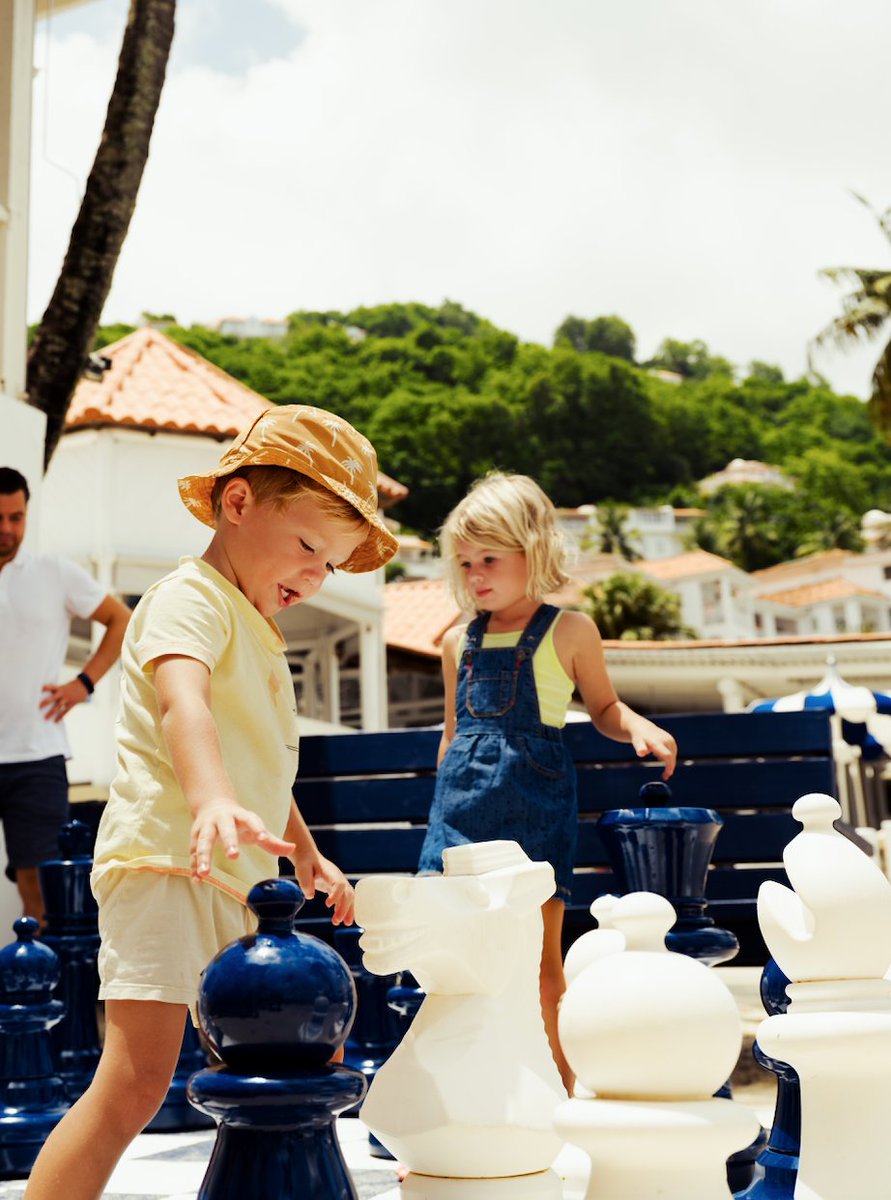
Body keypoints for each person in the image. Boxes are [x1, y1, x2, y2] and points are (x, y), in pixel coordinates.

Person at [24, 405, 398, 1200]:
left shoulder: (258, 627)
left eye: (330, 565)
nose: (313, 575)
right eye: (306, 546)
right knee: (133, 1083)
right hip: (167, 860)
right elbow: (181, 704)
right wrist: (209, 801)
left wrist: (302, 848)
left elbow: (258, 767)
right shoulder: (187, 597)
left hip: (232, 877)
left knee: (276, 1068)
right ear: (237, 506)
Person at [417, 471, 677, 1093]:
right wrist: (439, 810)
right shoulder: (458, 642)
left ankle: (557, 1093)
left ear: (531, 552)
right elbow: (453, 733)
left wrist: (638, 726)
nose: (476, 574)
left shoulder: (570, 631)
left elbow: (605, 709)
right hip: (459, 817)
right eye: (465, 562)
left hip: (535, 809)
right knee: (453, 960)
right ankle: (458, 1095)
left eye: (490, 559)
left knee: (540, 961)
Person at [0, 466, 130, 923]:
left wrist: (85, 683)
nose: (7, 529)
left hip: (36, 757)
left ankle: (42, 993)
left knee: (41, 893)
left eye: (16, 518)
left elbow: (121, 619)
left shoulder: (52, 573)